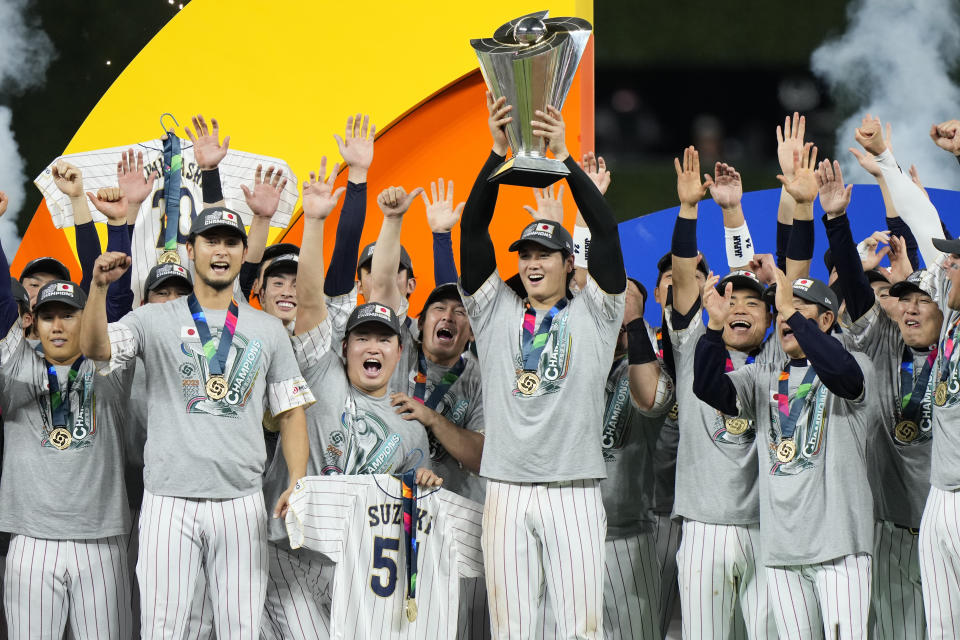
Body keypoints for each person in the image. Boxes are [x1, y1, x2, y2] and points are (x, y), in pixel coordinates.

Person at [79, 207, 313, 639]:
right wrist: (96, 290)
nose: (220, 251)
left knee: (240, 629)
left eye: (230, 242)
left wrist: (297, 479)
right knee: (163, 629)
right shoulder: (151, 318)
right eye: (210, 240)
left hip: (241, 502)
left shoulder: (268, 329)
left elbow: (292, 410)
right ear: (190, 250)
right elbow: (96, 349)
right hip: (169, 500)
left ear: (245, 254)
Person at [458, 91, 626, 639]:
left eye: (542, 255)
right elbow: (473, 230)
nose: (531, 263)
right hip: (505, 489)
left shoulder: (598, 313)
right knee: (513, 629)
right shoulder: (494, 312)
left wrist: (565, 160)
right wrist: (496, 153)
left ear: (565, 262)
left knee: (579, 630)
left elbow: (605, 233)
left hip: (574, 491)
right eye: (525, 255)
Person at [260, 162, 435, 640]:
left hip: (355, 565)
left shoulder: (411, 426)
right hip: (288, 555)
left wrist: (420, 481)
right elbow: (312, 299)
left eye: (383, 339)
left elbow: (384, 290)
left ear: (400, 350)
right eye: (361, 338)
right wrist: (315, 220)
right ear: (344, 346)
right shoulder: (323, 372)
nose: (372, 347)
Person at [694, 268, 877, 639]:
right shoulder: (762, 377)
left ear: (826, 320)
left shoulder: (858, 364)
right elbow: (708, 387)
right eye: (781, 311)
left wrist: (789, 311)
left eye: (799, 308)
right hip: (782, 552)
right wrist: (713, 328)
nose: (785, 316)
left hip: (840, 548)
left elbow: (843, 376)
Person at [819, 158, 939, 639]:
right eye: (901, 298)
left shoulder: (952, 341)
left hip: (945, 520)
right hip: (890, 526)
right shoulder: (883, 341)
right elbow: (854, 289)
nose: (908, 308)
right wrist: (836, 221)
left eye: (920, 299)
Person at [667, 146, 780, 639]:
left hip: (767, 529)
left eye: (752, 304)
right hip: (704, 529)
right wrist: (690, 210)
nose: (738, 309)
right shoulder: (696, 342)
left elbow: (756, 273)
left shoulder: (778, 357)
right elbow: (685, 276)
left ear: (770, 317)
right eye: (729, 300)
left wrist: (733, 213)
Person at [918, 115, 960, 640]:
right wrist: (883, 165)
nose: (946, 267)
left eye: (956, 262)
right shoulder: (950, 317)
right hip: (940, 494)